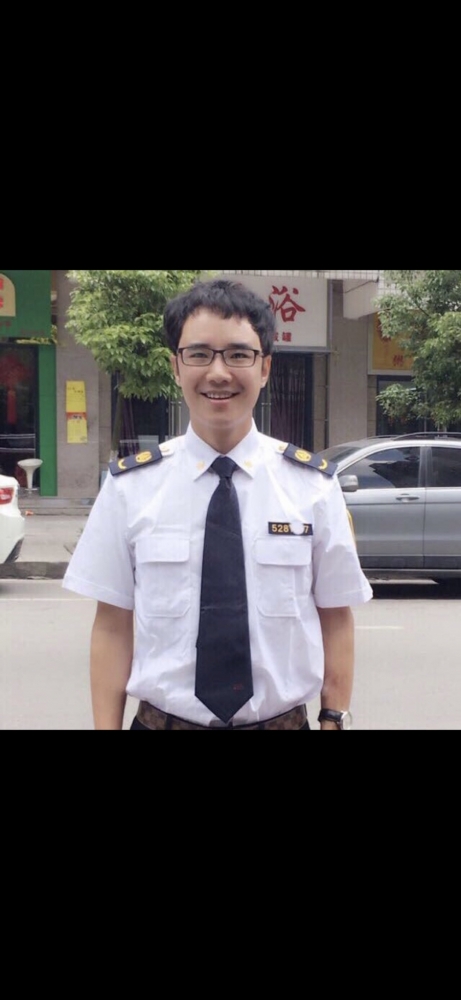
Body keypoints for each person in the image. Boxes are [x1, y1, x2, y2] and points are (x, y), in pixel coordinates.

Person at [62, 278, 373, 730]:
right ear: (176, 366)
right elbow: (111, 625)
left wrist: (333, 719)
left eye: (238, 355)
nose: (219, 372)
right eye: (200, 354)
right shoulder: (130, 489)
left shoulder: (312, 488)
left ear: (264, 368)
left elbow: (336, 617)